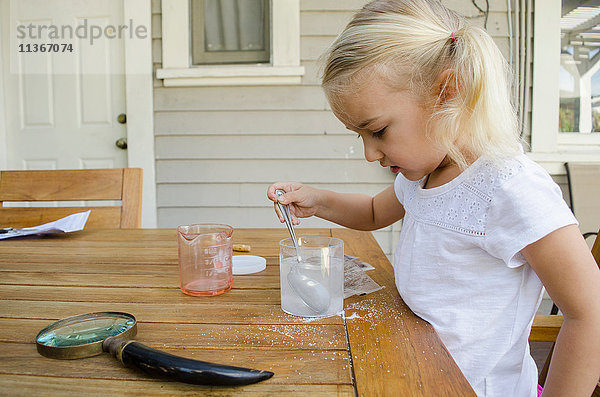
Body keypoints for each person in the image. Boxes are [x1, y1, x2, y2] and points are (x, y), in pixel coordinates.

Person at [266, 0, 600, 396]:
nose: (370, 154)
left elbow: (590, 312)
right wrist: (317, 200)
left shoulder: (510, 188)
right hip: (412, 368)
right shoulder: (422, 174)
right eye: (359, 136)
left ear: (447, 93)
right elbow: (374, 212)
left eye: (378, 131)